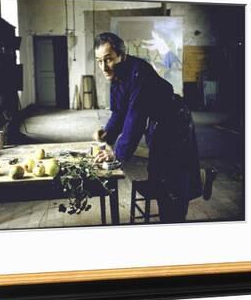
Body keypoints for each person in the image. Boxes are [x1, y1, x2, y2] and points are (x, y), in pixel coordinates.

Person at [92, 32, 215, 223]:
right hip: (157, 121)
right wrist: (107, 134)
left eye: (108, 60)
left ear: (121, 56)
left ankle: (174, 220)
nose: (103, 67)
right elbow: (119, 112)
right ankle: (198, 176)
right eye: (99, 61)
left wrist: (116, 154)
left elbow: (135, 119)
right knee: (158, 170)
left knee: (171, 179)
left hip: (175, 119)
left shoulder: (139, 73)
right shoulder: (117, 76)